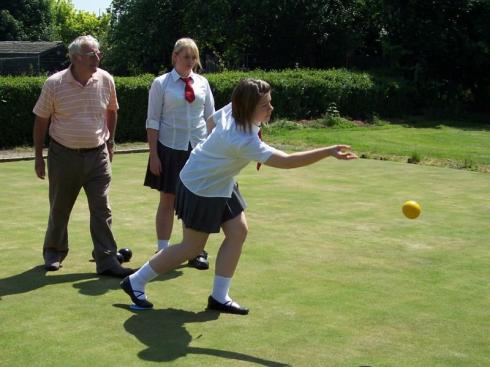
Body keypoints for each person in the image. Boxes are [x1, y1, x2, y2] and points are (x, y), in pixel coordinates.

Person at [121, 78, 357, 314]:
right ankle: (136, 281)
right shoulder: (242, 140)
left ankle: (219, 297)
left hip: (220, 181)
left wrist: (217, 156)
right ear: (247, 108)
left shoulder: (233, 111)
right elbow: (286, 161)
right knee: (191, 248)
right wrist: (328, 151)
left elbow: (211, 122)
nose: (271, 108)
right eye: (265, 105)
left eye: (270, 103)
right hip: (200, 186)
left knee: (238, 231)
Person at [33, 35, 134, 277]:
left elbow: (112, 110)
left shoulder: (105, 79)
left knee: (102, 209)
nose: (97, 57)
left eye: (98, 53)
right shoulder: (54, 83)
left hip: (98, 155)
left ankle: (107, 260)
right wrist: (38, 155)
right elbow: (41, 120)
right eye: (92, 54)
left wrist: (110, 142)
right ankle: (54, 252)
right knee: (60, 207)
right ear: (76, 57)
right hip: (63, 155)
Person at [144, 38, 215, 270]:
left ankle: (195, 251)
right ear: (174, 57)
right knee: (168, 199)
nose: (191, 62)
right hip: (169, 149)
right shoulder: (161, 83)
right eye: (186, 57)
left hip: (198, 150)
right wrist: (153, 155)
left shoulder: (203, 83)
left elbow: (211, 119)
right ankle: (163, 251)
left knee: (195, 203)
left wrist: (215, 151)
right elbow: (153, 120)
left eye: (194, 57)